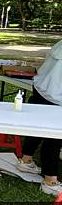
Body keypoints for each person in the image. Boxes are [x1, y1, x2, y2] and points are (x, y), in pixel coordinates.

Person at [15, 39, 62, 196]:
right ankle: (50, 181)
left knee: (37, 127)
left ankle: (26, 160)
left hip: (42, 88)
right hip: (56, 96)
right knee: (54, 138)